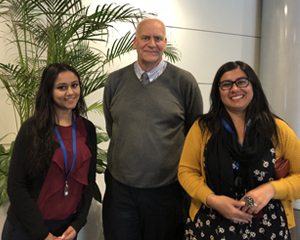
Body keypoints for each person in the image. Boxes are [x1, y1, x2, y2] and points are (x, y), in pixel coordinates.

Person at [102, 18, 203, 240]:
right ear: (134, 42)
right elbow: (114, 128)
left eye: (158, 38)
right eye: (145, 38)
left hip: (167, 191)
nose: (152, 43)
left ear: (165, 43)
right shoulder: (115, 81)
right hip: (121, 191)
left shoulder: (184, 82)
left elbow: (195, 135)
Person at [178, 61, 300, 240]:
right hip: (211, 225)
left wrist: (271, 189)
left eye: (242, 82)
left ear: (253, 86)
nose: (235, 89)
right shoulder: (202, 128)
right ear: (218, 92)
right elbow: (186, 171)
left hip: (267, 228)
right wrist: (212, 199)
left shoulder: (278, 129)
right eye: (226, 84)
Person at [2, 63, 97, 240]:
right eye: (62, 87)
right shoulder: (32, 129)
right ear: (49, 91)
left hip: (65, 230)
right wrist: (43, 234)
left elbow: (89, 181)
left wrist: (77, 224)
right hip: (27, 229)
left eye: (74, 85)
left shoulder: (87, 129)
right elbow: (16, 186)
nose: (70, 92)